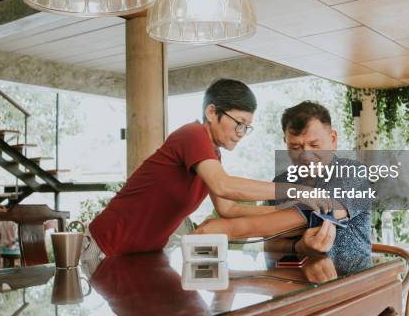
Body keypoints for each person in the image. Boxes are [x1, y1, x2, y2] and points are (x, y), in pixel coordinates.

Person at [88, 79, 325, 256]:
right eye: (238, 124)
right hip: (106, 245)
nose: (241, 134)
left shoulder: (212, 156)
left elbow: (228, 209)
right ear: (212, 112)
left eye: (246, 127)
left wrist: (292, 212)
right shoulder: (192, 134)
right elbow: (224, 186)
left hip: (143, 253)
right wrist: (299, 192)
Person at [194, 101, 371, 257]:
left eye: (314, 145)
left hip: (354, 284)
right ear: (285, 142)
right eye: (295, 147)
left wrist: (229, 229)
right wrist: (298, 247)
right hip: (294, 283)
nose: (306, 155)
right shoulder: (281, 180)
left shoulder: (354, 173)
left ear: (333, 139)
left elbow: (314, 214)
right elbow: (271, 241)